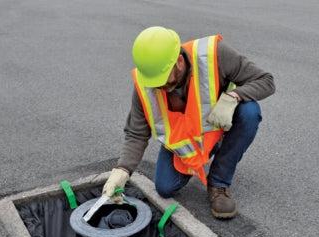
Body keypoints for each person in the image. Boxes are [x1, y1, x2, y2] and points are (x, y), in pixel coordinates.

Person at [103, 26, 275, 218]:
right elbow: (136, 132)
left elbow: (266, 80)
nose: (161, 88)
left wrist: (234, 96)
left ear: (178, 61)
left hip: (217, 125)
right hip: (183, 141)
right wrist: (123, 169)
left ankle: (218, 183)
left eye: (164, 81)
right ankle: (206, 152)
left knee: (249, 112)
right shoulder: (147, 80)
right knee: (165, 187)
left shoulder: (215, 55)